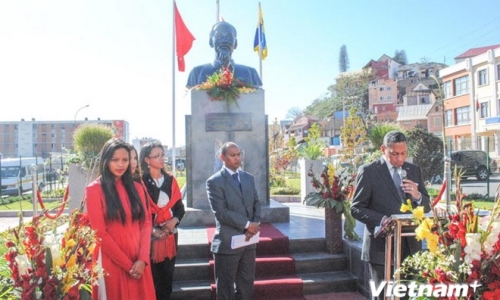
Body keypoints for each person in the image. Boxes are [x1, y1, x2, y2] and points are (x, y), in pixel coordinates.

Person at [350, 130, 431, 300]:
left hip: (410, 247)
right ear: (383, 149)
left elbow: (426, 205)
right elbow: (356, 208)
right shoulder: (369, 171)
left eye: (403, 153)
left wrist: (417, 196)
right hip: (381, 247)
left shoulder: (413, 170)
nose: (400, 159)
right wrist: (383, 220)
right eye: (394, 154)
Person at [84, 139, 156, 300]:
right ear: (105, 160)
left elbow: (145, 223)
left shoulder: (137, 187)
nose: (120, 165)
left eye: (125, 160)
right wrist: (128, 265)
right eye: (115, 160)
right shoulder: (94, 190)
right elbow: (99, 233)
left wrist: (143, 259)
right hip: (111, 261)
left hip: (138, 259)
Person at [206, 142, 261, 300]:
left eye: (239, 154)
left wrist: (255, 224)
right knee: (225, 288)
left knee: (246, 284)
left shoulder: (248, 178)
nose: (238, 158)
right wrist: (247, 225)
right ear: (222, 157)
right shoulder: (214, 182)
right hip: (228, 243)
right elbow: (221, 212)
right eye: (233, 155)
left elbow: (256, 203)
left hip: (249, 242)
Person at [140, 141, 185, 300]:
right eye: (156, 156)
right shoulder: (140, 183)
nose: (161, 159)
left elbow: (180, 208)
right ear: (147, 160)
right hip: (147, 238)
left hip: (170, 236)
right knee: (151, 278)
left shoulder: (171, 180)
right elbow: (139, 213)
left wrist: (174, 221)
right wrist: (153, 230)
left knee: (167, 277)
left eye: (162, 155)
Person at [186, 22, 262, 88]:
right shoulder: (196, 73)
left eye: (229, 36)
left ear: (235, 43)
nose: (224, 40)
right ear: (210, 42)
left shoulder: (251, 73)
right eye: (219, 36)